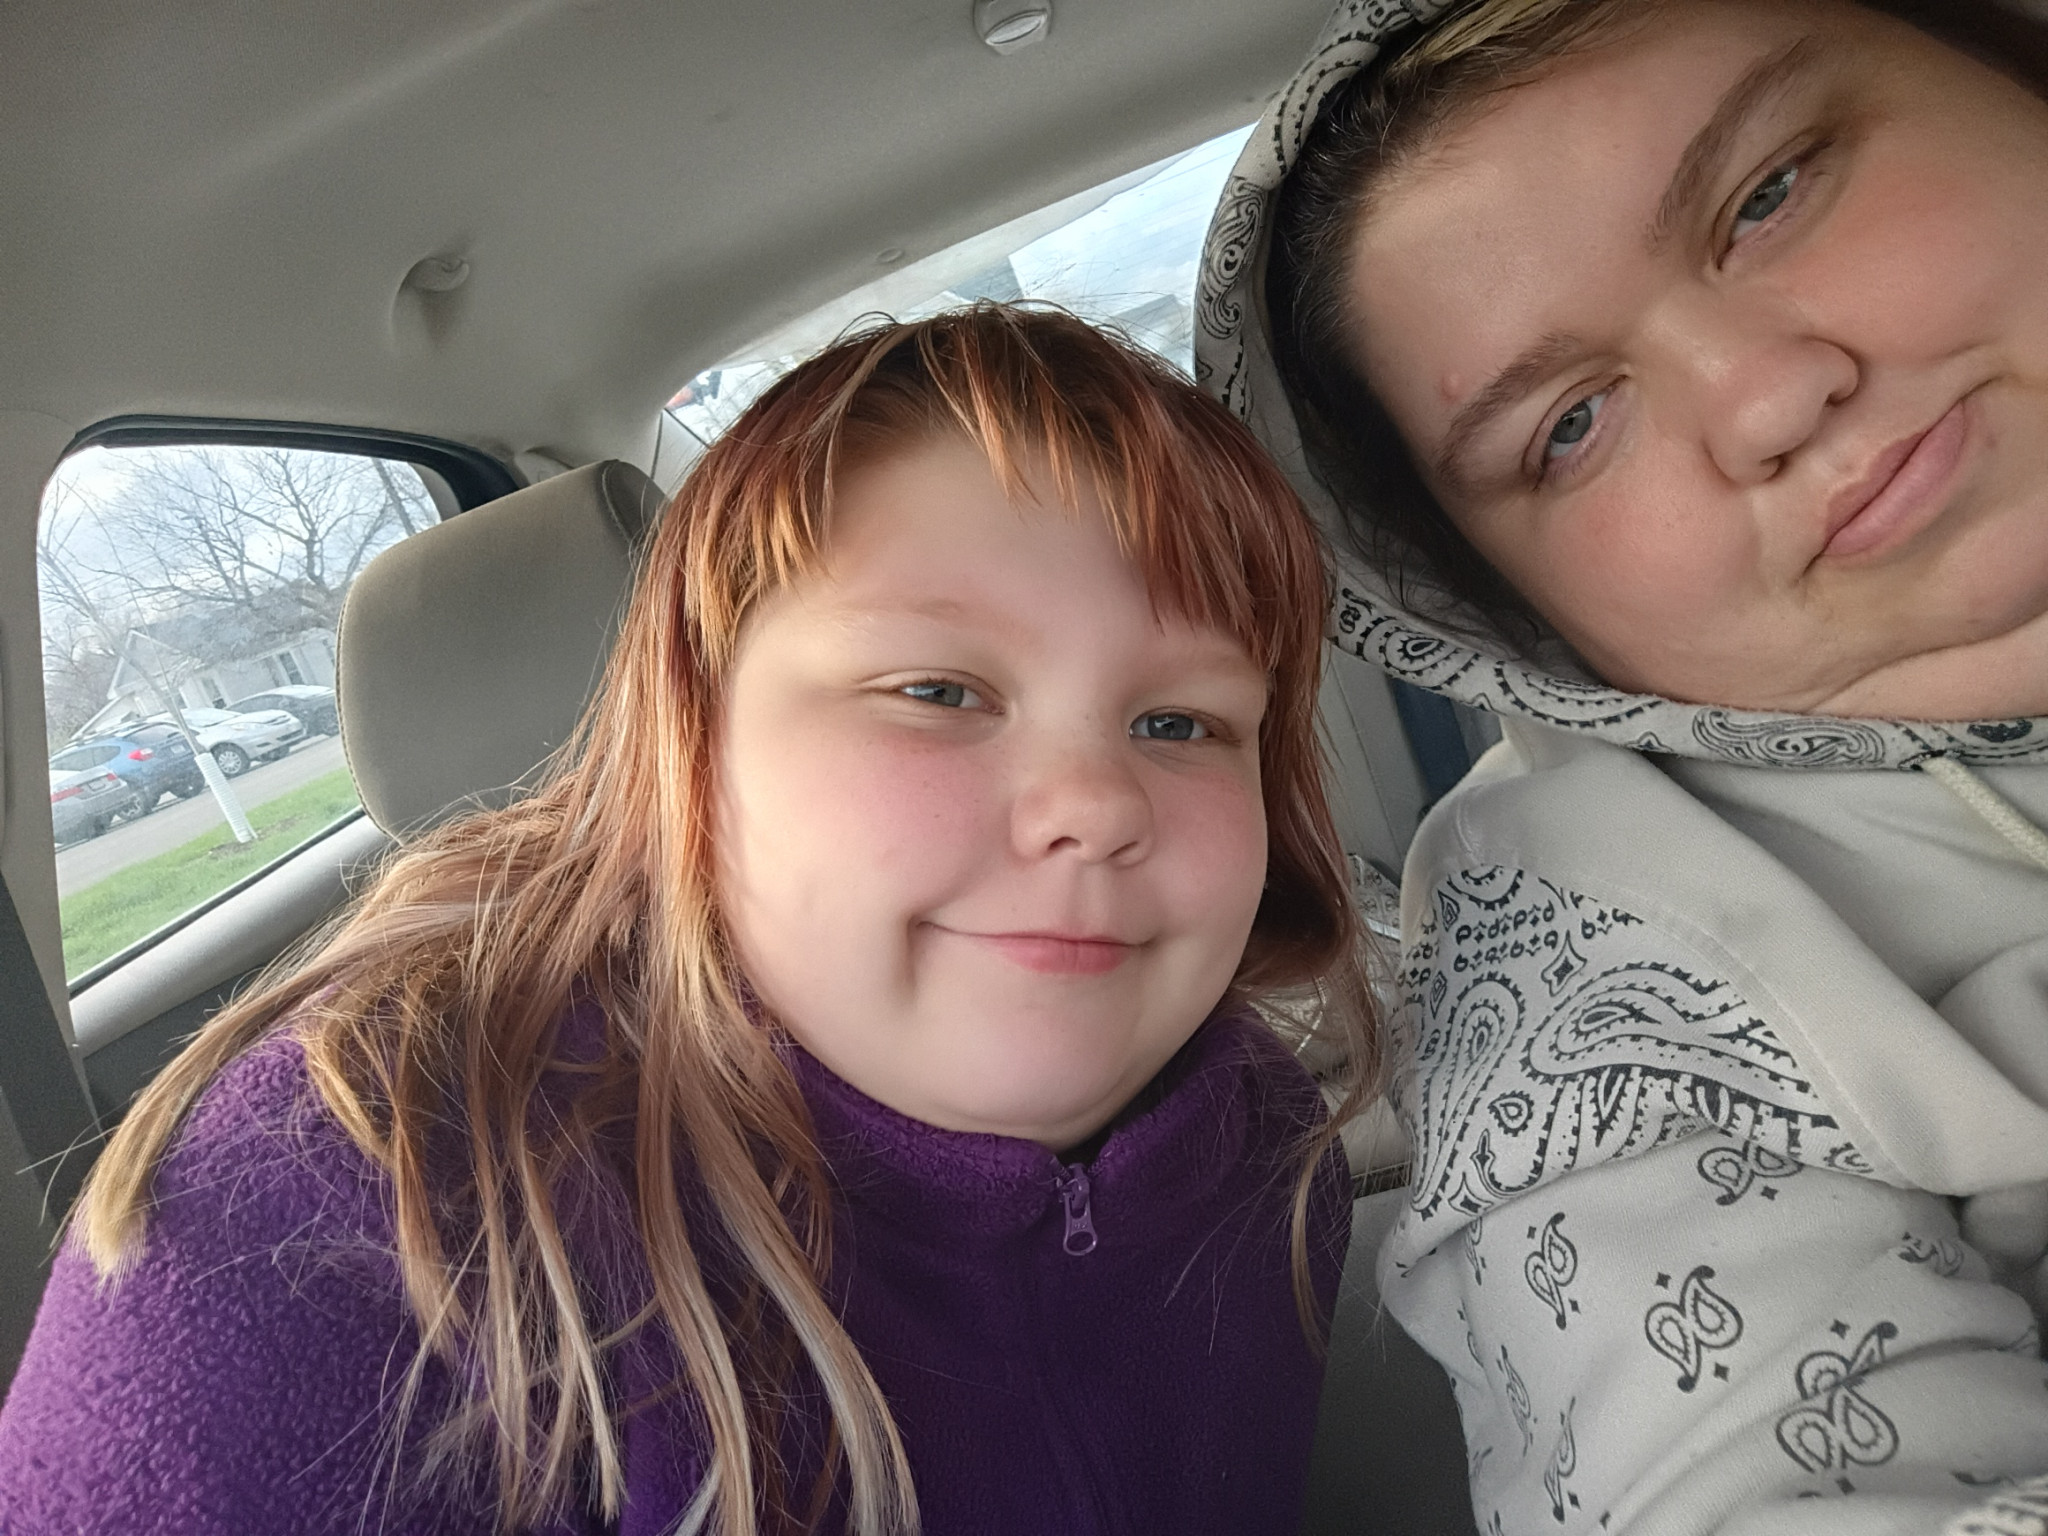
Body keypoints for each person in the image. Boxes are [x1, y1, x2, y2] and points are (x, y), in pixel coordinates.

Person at [0, 307, 1370, 1536]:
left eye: (1181, 722)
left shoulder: (1261, 1136)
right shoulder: (349, 1223)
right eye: (938, 691)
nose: (1097, 806)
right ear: (694, 741)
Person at [1193, 0, 2048, 1531]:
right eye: (1572, 425)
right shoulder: (1586, 964)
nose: (1769, 396)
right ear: (1503, 613)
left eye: (1771, 193)